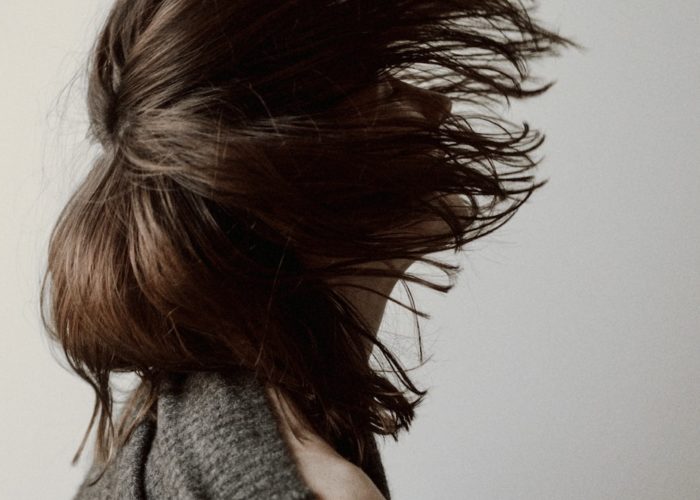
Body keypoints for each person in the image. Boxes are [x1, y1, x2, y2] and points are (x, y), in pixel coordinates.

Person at [40, 1, 573, 498]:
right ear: (283, 167)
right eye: (383, 90)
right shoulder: (321, 489)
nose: (436, 106)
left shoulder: (159, 418)